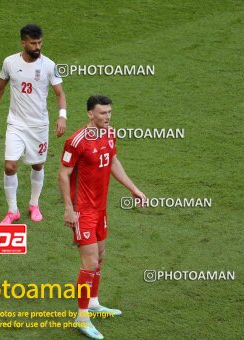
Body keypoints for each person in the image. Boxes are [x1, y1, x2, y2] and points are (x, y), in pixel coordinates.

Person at [58, 95, 146, 339]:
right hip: (82, 210)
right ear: (90, 114)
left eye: (109, 112)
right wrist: (68, 209)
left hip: (100, 209)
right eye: (102, 113)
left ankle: (94, 302)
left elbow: (113, 161)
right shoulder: (76, 141)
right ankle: (82, 317)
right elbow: (63, 175)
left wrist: (133, 188)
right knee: (89, 263)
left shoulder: (109, 134)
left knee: (100, 258)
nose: (107, 117)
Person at [0, 23, 67, 224]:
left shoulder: (49, 65)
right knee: (10, 167)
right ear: (23, 43)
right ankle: (12, 210)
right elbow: (0, 88)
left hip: (39, 126)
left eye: (40, 43)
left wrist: (62, 116)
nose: (38, 47)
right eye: (33, 43)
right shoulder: (9, 62)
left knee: (37, 165)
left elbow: (60, 93)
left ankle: (34, 204)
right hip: (16, 125)